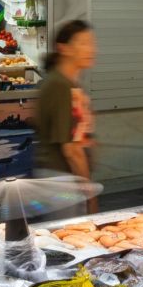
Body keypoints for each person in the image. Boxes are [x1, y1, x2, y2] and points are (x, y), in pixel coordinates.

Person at [34, 20, 97, 213]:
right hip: (61, 181)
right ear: (64, 48)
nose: (91, 49)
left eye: (92, 43)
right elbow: (72, 150)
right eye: (83, 43)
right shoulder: (60, 86)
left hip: (65, 178)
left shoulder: (68, 83)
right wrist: (91, 195)